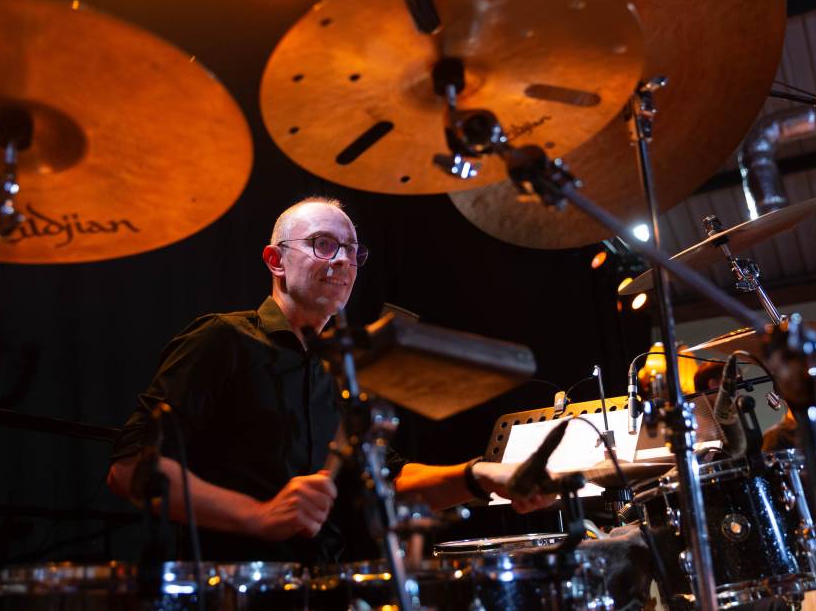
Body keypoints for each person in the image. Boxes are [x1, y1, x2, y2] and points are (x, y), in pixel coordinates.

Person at [107, 197, 553, 564]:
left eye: (351, 251)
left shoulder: (345, 371)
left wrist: (481, 475)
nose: (342, 260)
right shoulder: (222, 339)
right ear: (276, 260)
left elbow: (389, 481)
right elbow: (131, 470)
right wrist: (259, 515)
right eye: (323, 245)